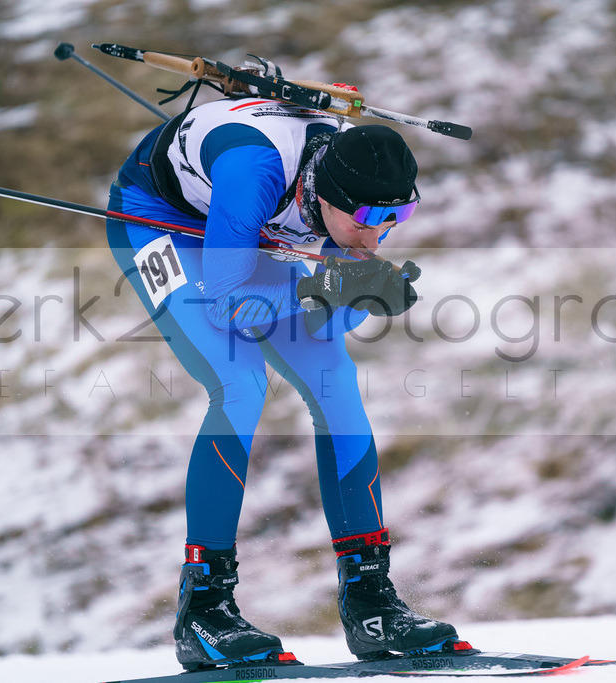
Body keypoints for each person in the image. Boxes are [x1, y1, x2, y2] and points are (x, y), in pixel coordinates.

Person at [105, 95, 459, 670]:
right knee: (240, 382)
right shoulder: (255, 171)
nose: (376, 236)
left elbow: (324, 325)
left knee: (335, 382)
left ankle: (369, 599)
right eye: (366, 220)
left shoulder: (352, 182)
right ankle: (204, 608)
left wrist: (360, 295)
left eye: (396, 218)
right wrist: (326, 286)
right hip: (162, 220)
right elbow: (227, 305)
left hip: (253, 223)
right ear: (328, 198)